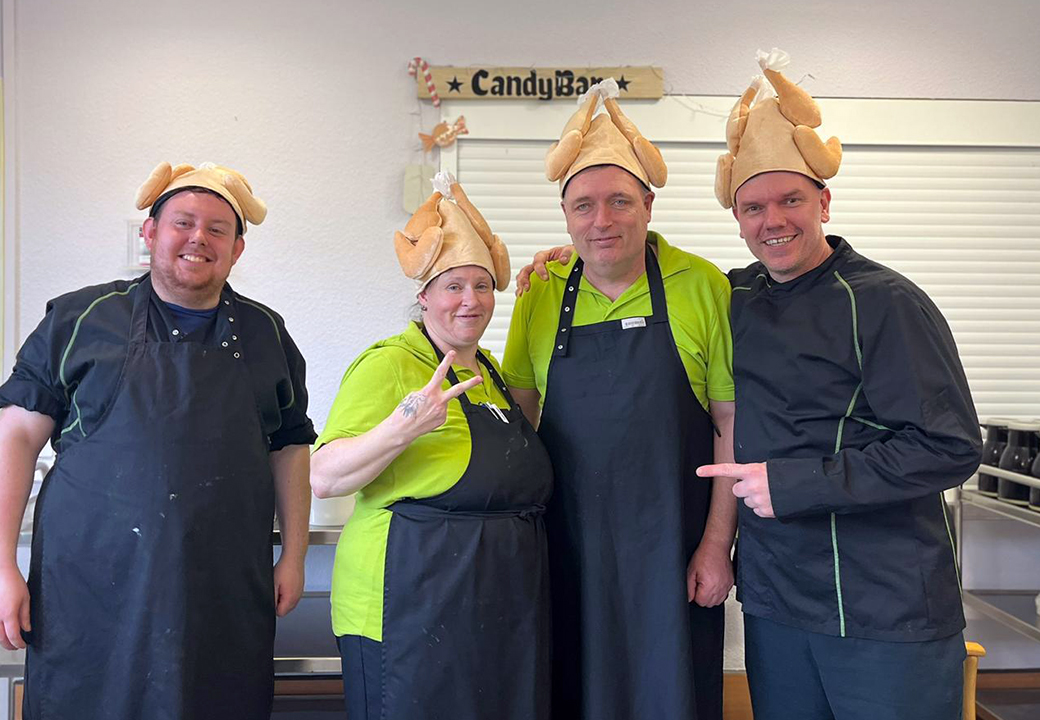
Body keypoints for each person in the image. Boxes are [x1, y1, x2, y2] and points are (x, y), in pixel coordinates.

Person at [693, 50, 982, 720]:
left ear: (823, 200)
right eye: (754, 207)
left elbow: (949, 446)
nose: (773, 221)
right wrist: (569, 262)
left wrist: (796, 484)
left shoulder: (884, 302)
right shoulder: (732, 297)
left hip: (886, 610)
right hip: (777, 605)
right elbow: (658, 286)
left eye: (791, 200)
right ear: (737, 218)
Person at [0, 162, 316, 720]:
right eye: (183, 222)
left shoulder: (267, 333)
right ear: (149, 233)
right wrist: (3, 565)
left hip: (221, 586)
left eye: (218, 229)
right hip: (90, 584)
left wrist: (294, 555)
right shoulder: (81, 318)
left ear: (237, 249)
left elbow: (290, 447)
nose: (199, 238)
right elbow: (17, 435)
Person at [503, 81, 736, 720]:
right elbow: (519, 422)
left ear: (649, 205)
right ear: (565, 215)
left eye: (618, 202)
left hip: (673, 548)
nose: (600, 221)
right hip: (569, 547)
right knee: (572, 690)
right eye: (583, 206)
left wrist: (717, 544)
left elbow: (729, 423)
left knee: (672, 692)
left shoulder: (703, 285)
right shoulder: (540, 292)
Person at [310, 173, 553, 720]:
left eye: (482, 286)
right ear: (423, 297)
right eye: (453, 286)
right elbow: (324, 477)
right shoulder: (390, 363)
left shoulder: (490, 372)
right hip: (404, 602)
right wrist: (403, 426)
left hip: (488, 603)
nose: (471, 300)